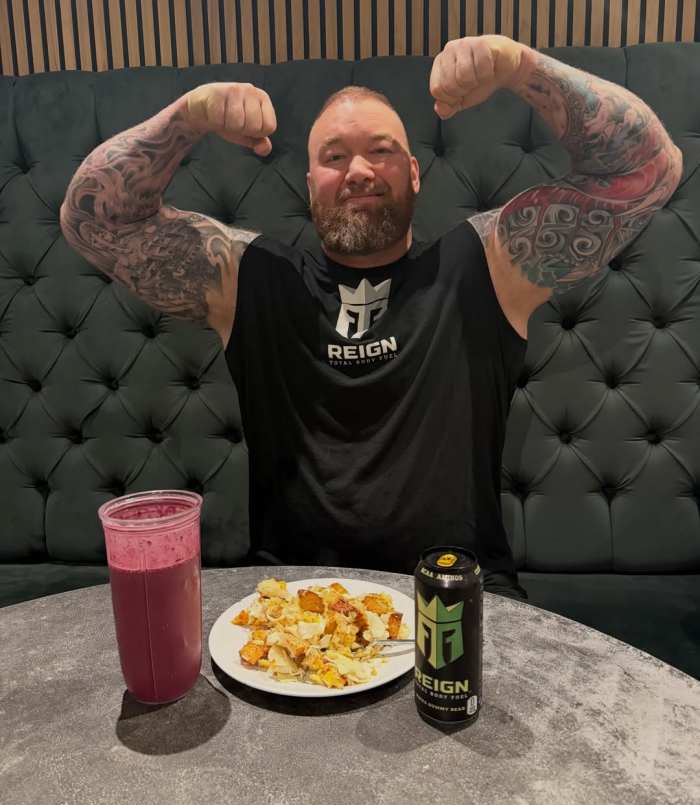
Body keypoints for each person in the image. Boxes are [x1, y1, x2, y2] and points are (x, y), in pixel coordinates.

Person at [60, 35, 682, 603]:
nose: (358, 171)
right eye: (334, 156)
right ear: (309, 185)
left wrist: (522, 67)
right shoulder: (250, 279)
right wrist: (188, 116)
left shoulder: (486, 265)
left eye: (381, 151)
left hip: (459, 597)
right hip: (293, 606)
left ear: (413, 172)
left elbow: (648, 168)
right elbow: (94, 221)